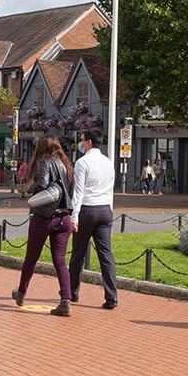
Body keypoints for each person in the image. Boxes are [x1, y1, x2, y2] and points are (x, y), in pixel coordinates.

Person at [11, 135, 75, 316]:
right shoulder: (66, 165)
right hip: (64, 217)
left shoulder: (43, 161)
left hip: (44, 217)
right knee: (60, 262)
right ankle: (66, 300)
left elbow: (44, 184)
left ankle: (21, 293)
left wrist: (29, 190)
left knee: (31, 258)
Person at [68, 128, 118, 309]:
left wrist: (74, 217)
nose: (80, 143)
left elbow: (78, 192)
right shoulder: (108, 162)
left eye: (82, 140)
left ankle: (72, 292)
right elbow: (111, 188)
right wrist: (110, 210)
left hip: (87, 210)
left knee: (78, 254)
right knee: (106, 255)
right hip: (105, 209)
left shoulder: (82, 163)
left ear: (89, 142)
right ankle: (111, 296)